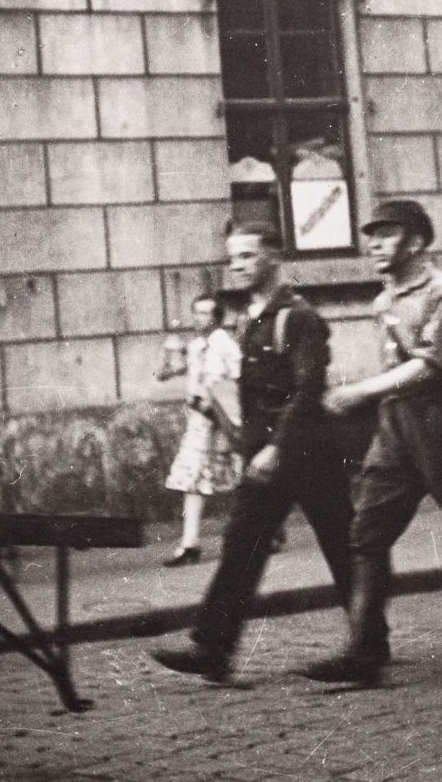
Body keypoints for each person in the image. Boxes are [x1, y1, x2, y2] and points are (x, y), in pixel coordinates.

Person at [302, 199, 442, 689]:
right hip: (397, 428)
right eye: (371, 235)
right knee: (367, 533)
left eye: (387, 234)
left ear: (418, 242)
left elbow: (430, 366)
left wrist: (358, 392)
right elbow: (397, 369)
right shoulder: (385, 299)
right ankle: (365, 649)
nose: (374, 244)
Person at [151, 224, 353, 685]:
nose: (237, 265)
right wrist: (251, 449)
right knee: (242, 543)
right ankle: (213, 649)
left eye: (247, 255)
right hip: (267, 454)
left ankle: (369, 642)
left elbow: (308, 390)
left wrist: (279, 449)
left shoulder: (296, 318)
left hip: (308, 451)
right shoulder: (248, 319)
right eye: (233, 257)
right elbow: (247, 396)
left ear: (274, 258)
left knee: (342, 545)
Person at [154, 291, 243, 566]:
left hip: (224, 421)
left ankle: (270, 531)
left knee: (241, 476)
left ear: (217, 317)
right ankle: (190, 545)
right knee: (192, 478)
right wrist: (168, 352)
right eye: (196, 312)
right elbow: (163, 375)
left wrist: (227, 408)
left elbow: (242, 380)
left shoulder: (227, 346)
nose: (199, 318)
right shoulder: (194, 347)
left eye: (205, 313)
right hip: (199, 422)